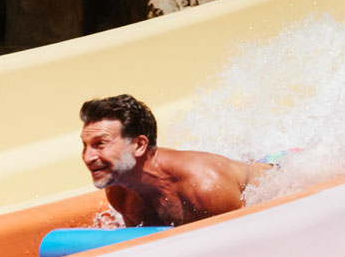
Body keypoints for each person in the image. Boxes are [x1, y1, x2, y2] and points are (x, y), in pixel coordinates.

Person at [78, 93, 273, 227]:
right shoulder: (121, 192)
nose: (88, 157)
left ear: (139, 145)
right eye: (85, 145)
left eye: (100, 144)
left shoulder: (206, 187)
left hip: (277, 176)